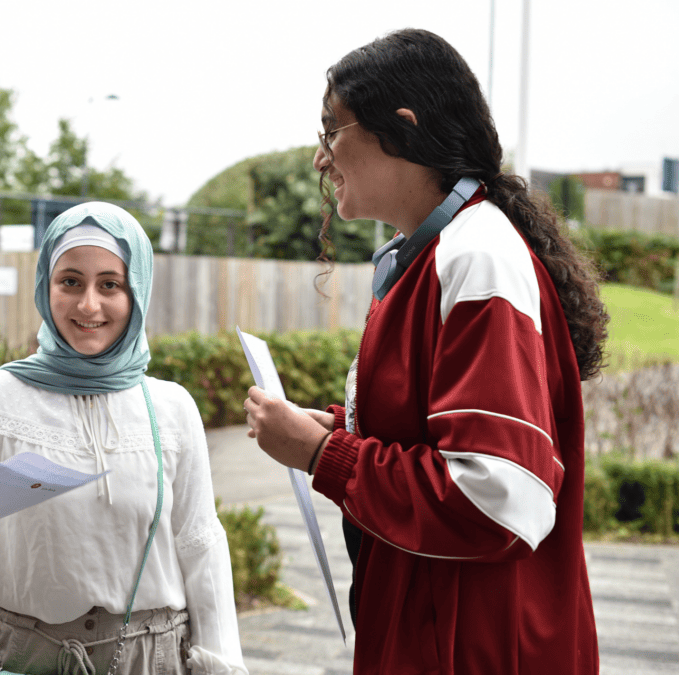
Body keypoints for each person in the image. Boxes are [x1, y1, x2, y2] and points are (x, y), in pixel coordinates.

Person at [243, 29, 606, 675]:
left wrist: (324, 454)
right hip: (442, 633)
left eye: (332, 130)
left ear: (402, 128)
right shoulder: (442, 253)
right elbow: (440, 431)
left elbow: (500, 497)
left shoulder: (477, 256)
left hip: (471, 645)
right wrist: (343, 428)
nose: (321, 158)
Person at [0, 201, 247, 675]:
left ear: (136, 291)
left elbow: (200, 545)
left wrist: (221, 667)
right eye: (70, 281)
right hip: (27, 657)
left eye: (110, 285)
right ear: (45, 286)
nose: (89, 304)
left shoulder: (171, 407)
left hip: (153, 659)